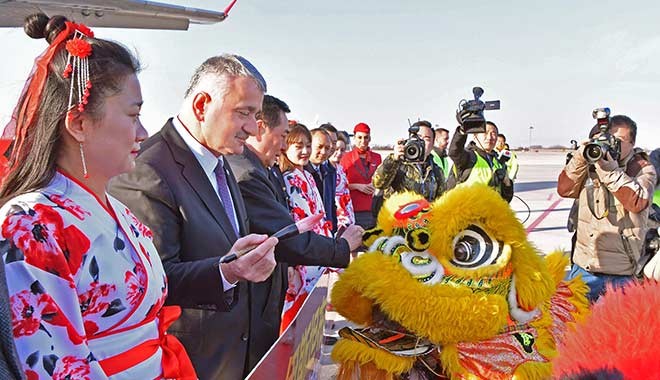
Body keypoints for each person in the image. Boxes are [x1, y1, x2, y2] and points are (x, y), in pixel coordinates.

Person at [0, 14, 196, 379]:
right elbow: (53, 364)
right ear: (77, 124)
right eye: (133, 114)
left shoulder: (117, 210)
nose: (143, 132)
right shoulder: (28, 224)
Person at [108, 54, 278, 379]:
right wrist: (228, 272)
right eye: (244, 113)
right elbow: (150, 282)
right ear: (202, 106)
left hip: (232, 357)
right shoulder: (149, 169)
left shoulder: (221, 158)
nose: (253, 128)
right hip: (190, 365)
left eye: (256, 116)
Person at [226, 96, 363, 358]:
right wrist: (342, 247)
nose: (284, 146)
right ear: (261, 128)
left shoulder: (265, 170)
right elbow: (285, 239)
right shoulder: (248, 173)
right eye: (284, 137)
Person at [557, 115, 657, 302]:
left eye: (618, 140)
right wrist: (580, 157)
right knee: (575, 326)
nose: (610, 145)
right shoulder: (590, 164)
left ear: (633, 143)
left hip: (620, 273)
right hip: (584, 267)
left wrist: (609, 170)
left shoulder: (642, 168)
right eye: (605, 139)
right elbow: (564, 189)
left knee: (617, 328)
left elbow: (637, 201)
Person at [278, 123, 335, 330]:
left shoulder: (308, 175)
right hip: (304, 257)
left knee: (311, 317)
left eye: (307, 145)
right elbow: (299, 221)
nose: (305, 151)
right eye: (298, 146)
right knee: (296, 321)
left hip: (317, 253)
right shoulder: (290, 178)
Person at [372, 120, 445, 215]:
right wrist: (393, 159)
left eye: (426, 139)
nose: (421, 142)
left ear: (432, 143)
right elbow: (377, 183)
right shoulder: (397, 163)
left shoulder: (436, 171)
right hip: (396, 222)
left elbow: (441, 201)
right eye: (417, 138)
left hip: (425, 223)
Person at [447, 121, 514, 202]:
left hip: (492, 211)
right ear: (475, 137)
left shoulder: (498, 162)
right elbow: (454, 152)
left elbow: (506, 199)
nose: (489, 137)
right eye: (485, 133)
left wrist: (507, 184)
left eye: (493, 134)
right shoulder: (468, 157)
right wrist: (462, 130)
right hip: (467, 211)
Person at [340, 123, 382, 229]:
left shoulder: (377, 158)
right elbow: (339, 185)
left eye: (366, 137)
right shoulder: (345, 158)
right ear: (354, 138)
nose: (363, 141)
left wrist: (376, 186)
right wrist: (358, 186)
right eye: (359, 137)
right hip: (354, 210)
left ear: (370, 138)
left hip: (373, 209)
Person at [307, 127, 338, 232]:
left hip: (327, 232)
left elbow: (331, 205)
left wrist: (333, 230)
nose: (323, 152)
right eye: (319, 147)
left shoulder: (329, 172)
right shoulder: (301, 174)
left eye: (327, 148)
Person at [329, 132, 356, 228]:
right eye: (336, 149)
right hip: (337, 218)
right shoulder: (325, 170)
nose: (339, 153)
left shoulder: (340, 168)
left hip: (347, 214)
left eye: (342, 150)